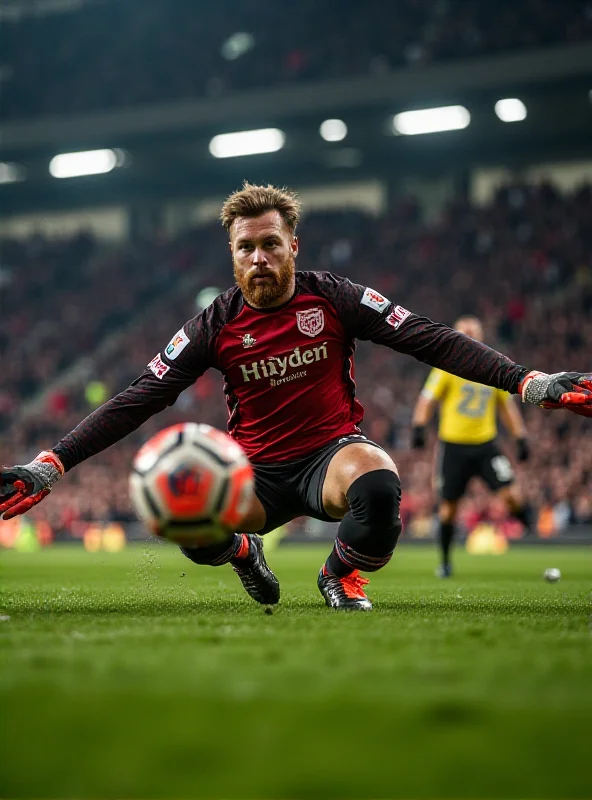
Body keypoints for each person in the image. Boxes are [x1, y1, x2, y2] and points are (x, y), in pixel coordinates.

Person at [1, 183, 591, 612]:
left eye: (271, 244)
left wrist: (526, 381)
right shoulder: (214, 325)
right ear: (232, 255)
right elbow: (138, 397)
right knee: (181, 512)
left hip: (330, 454)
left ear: (293, 247)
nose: (259, 258)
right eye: (245, 248)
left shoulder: (335, 299)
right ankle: (241, 554)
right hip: (253, 473)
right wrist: (52, 464)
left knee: (381, 487)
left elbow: (427, 338)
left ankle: (340, 575)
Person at [411, 316, 532, 578]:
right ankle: (444, 561)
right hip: (453, 447)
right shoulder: (445, 368)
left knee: (511, 496)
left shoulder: (491, 366)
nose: (469, 337)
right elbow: (426, 400)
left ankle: (536, 543)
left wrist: (520, 436)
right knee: (448, 509)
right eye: (464, 333)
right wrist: (419, 426)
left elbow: (506, 406)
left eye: (473, 332)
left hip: (486, 445)